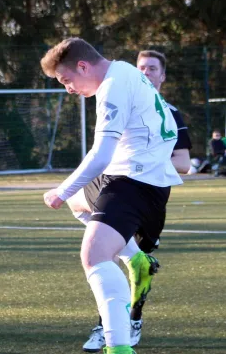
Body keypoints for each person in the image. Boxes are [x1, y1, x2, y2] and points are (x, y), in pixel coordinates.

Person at [40, 38, 182, 354]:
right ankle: (136, 260)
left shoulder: (112, 87)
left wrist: (60, 192)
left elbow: (100, 155)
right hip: (143, 182)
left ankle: (118, 347)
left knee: (94, 255)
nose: (68, 89)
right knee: (82, 203)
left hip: (133, 185)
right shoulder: (127, 72)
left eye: (66, 80)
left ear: (82, 66)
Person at [78, 49, 191, 352]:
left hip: (145, 192)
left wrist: (147, 153)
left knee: (120, 258)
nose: (145, 73)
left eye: (152, 68)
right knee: (100, 248)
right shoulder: (122, 99)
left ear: (162, 76)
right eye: (141, 67)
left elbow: (183, 163)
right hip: (115, 185)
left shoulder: (169, 112)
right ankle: (107, 327)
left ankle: (134, 318)